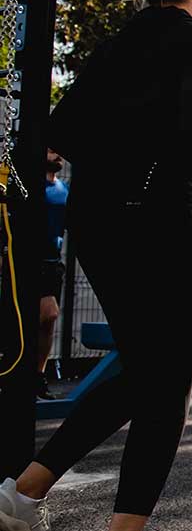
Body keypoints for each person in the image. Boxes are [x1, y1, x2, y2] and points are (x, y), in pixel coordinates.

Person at [0, 0, 192, 531]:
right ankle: (82, 512)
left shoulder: (114, 48)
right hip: (159, 226)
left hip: (97, 228)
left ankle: (24, 493)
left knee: (148, 373)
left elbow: (55, 134)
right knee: (166, 386)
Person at [35, 150, 68, 400]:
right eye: (51, 150)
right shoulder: (26, 187)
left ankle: (38, 375)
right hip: (28, 263)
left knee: (48, 321)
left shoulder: (63, 190)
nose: (58, 155)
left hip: (53, 263)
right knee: (47, 312)